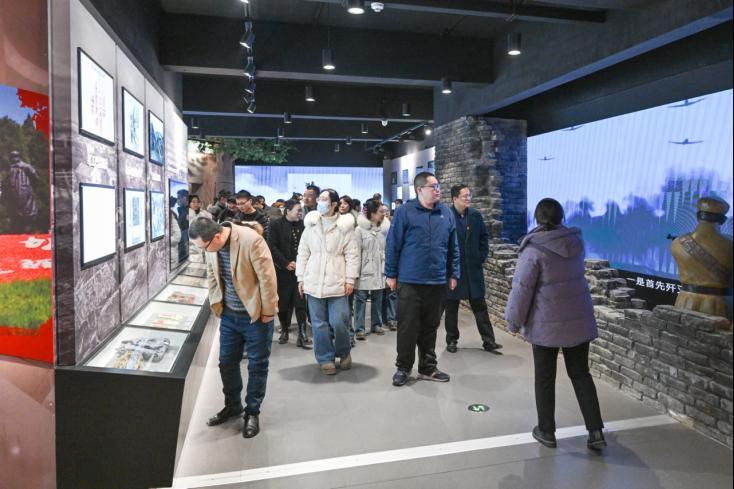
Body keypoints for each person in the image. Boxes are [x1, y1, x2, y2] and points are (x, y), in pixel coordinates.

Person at [505, 198, 605, 451]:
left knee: (545, 378)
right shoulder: (575, 243)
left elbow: (522, 290)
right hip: (578, 319)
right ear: (561, 217)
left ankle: (546, 431)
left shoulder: (533, 250)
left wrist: (513, 322)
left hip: (546, 323)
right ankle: (595, 432)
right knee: (581, 374)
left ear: (537, 218)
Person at [189, 216, 278, 439]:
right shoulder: (212, 247)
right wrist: (216, 302)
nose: (204, 251)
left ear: (217, 237)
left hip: (255, 316)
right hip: (229, 315)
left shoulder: (251, 240)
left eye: (204, 247)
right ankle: (233, 404)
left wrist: (268, 311)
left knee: (257, 365)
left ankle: (252, 412)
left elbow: (267, 278)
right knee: (226, 363)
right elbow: (212, 275)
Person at [385, 172, 459, 387]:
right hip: (409, 280)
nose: (438, 190)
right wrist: (391, 274)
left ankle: (428, 367)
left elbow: (453, 247)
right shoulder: (405, 212)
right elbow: (393, 244)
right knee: (407, 327)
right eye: (433, 186)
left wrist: (454, 273)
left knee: (430, 326)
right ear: (420, 190)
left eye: (438, 186)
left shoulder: (446, 213)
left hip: (437, 281)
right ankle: (403, 367)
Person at [296, 188, 360, 375]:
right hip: (313, 281)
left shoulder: (345, 227)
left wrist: (350, 279)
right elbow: (303, 253)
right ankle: (325, 358)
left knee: (339, 321)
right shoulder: (311, 225)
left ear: (334, 204)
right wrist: (301, 278)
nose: (320, 202)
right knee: (318, 324)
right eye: (320, 199)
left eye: (324, 199)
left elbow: (353, 255)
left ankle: (344, 352)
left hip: (337, 281)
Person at [444, 184, 502, 353]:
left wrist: (480, 257)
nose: (469, 198)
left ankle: (489, 341)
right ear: (455, 198)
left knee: (480, 306)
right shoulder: (446, 217)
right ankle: (452, 340)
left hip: (473, 269)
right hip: (454, 271)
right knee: (451, 307)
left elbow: (484, 238)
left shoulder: (475, 216)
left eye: (470, 195)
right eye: (465, 196)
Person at [269, 199, 311, 349]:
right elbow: (272, 246)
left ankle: (302, 332)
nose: (300, 213)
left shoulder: (305, 225)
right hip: (282, 271)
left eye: (301, 210)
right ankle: (284, 329)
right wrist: (285, 263)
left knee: (301, 301)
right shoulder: (275, 225)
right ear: (288, 211)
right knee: (283, 302)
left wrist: (301, 264)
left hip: (301, 271)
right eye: (298, 210)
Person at [354, 200, 390, 340]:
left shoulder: (383, 230)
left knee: (378, 298)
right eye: (381, 212)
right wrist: (355, 273)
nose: (383, 214)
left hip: (379, 269)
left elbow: (385, 250)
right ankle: (359, 328)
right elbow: (356, 252)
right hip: (364, 269)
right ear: (372, 213)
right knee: (361, 299)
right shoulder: (359, 230)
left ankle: (376, 324)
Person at [0, 150, 40, 233]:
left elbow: (35, 178)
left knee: (27, 210)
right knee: (16, 212)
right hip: (14, 194)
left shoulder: (26, 167)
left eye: (15, 156)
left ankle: (29, 227)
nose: (14, 159)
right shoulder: (10, 169)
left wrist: (30, 188)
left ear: (19, 157)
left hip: (25, 192)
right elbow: (6, 182)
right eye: (12, 157)